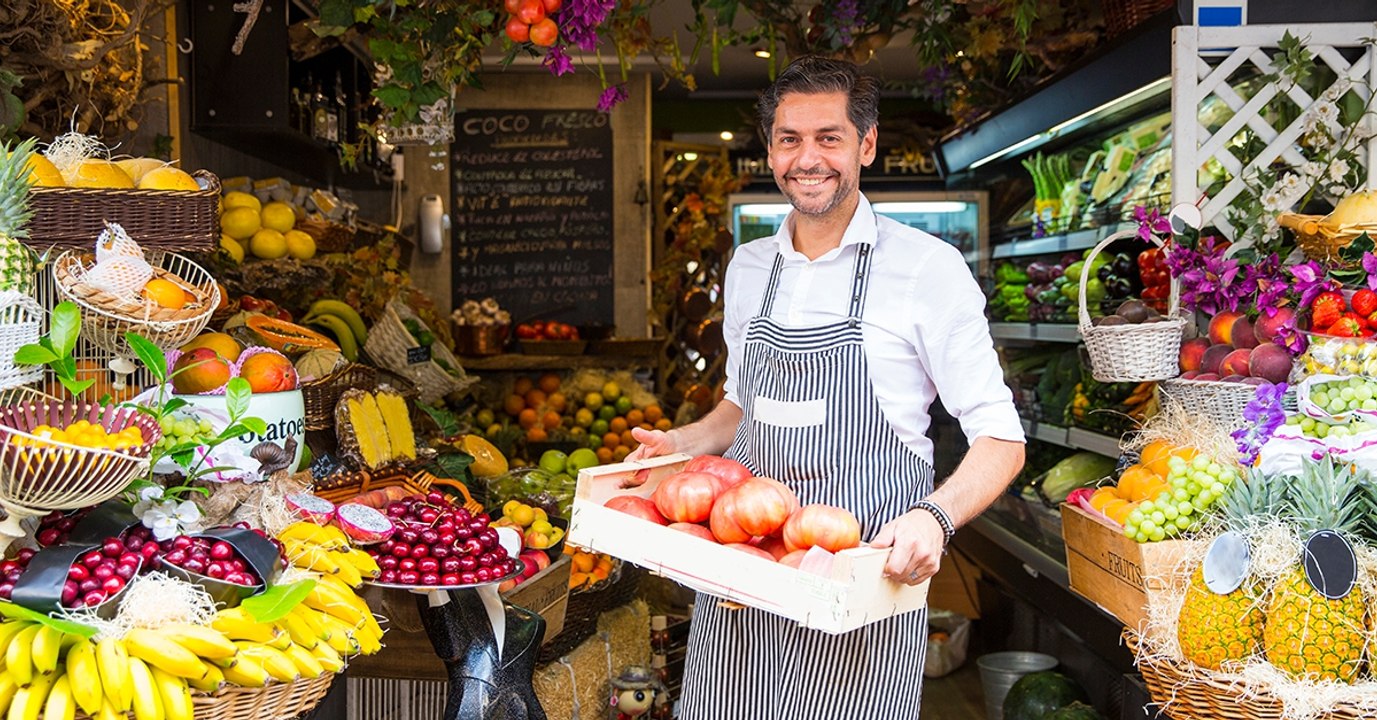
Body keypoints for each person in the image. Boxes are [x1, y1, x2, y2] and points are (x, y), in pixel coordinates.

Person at [627, 56, 1026, 719]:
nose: (807, 158)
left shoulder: (925, 268)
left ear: (866, 145)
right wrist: (681, 442)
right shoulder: (750, 266)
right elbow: (741, 406)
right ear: (770, 149)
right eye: (789, 139)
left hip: (859, 585)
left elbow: (1001, 437)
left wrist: (934, 517)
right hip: (742, 579)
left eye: (828, 137)